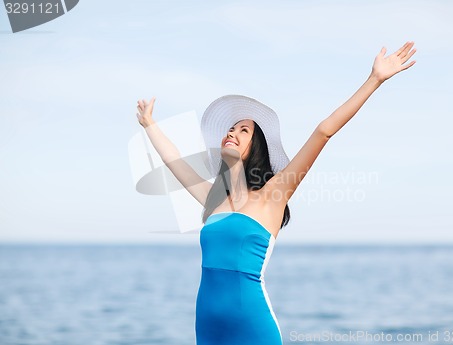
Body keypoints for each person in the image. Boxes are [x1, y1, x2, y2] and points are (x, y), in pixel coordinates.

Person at [135, 41, 417, 345]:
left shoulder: (274, 194)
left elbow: (323, 131)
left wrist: (374, 80)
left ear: (254, 148)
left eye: (243, 131)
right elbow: (174, 160)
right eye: (231, 128)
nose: (232, 133)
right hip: (207, 327)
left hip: (251, 326)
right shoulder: (213, 198)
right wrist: (149, 124)